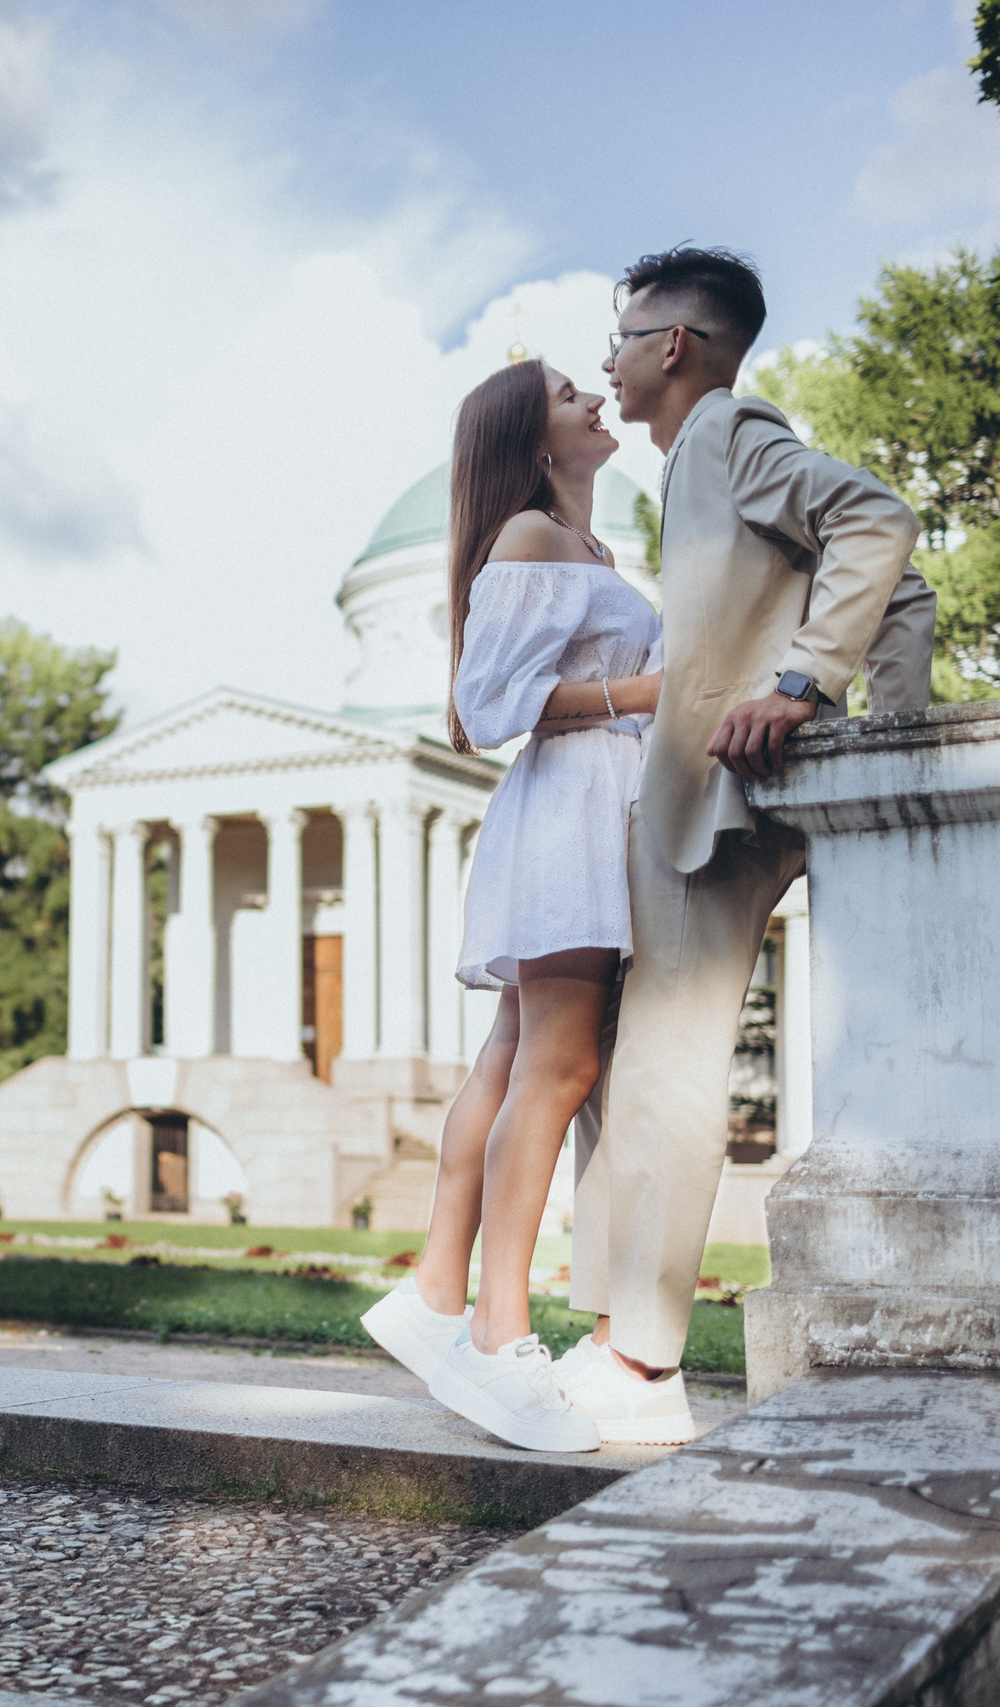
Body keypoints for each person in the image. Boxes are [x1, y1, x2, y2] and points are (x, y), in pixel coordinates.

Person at [559, 247, 933, 1440]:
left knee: (662, 1066)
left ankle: (641, 1368)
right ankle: (617, 1337)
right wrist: (893, 733)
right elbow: (902, 592)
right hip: (719, 800)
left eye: (621, 337)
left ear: (675, 345)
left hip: (711, 805)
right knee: (620, 1057)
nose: (608, 360)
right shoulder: (701, 463)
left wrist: (803, 691)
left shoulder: (724, 433)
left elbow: (879, 521)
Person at [360, 356, 660, 1453]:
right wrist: (645, 691)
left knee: (511, 1056)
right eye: (568, 393)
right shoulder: (531, 538)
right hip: (568, 810)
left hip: (592, 808)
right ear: (533, 440)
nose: (593, 398)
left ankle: (438, 1288)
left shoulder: (587, 548)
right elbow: (483, 708)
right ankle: (498, 1334)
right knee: (560, 1065)